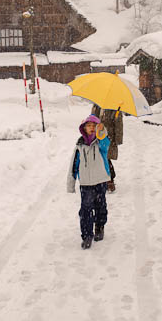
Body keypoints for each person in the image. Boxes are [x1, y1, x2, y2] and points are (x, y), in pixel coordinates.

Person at [67, 114, 111, 249]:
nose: (91, 128)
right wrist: (71, 184)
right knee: (85, 210)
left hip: (100, 181)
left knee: (100, 206)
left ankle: (99, 226)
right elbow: (73, 166)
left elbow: (106, 144)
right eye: (89, 126)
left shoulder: (101, 143)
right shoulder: (79, 147)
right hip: (86, 184)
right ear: (84, 128)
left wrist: (102, 132)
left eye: (94, 126)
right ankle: (86, 235)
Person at [91, 104, 123, 192]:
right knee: (100, 157)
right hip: (97, 137)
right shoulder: (96, 106)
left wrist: (118, 139)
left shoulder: (115, 108)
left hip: (109, 137)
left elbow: (118, 124)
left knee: (106, 158)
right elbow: (92, 119)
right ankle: (104, 179)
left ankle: (110, 179)